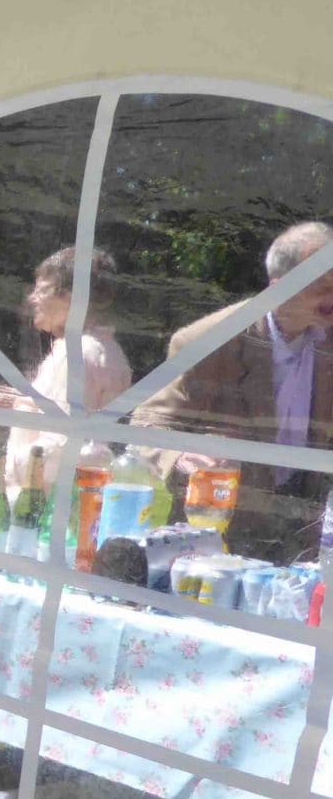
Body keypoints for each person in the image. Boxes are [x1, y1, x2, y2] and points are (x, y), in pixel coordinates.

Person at [131, 220, 333, 562]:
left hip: (302, 545)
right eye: (322, 283)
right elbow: (146, 426)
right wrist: (179, 457)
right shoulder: (211, 340)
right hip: (215, 541)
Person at [0, 246, 130, 502]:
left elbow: (56, 452)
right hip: (77, 503)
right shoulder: (108, 350)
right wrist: (25, 402)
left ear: (70, 298)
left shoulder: (76, 355)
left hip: (41, 509)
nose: (32, 298)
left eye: (41, 290)